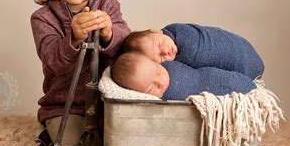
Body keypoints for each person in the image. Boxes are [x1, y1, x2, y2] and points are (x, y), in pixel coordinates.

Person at [31, 0, 130, 146]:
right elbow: (52, 59)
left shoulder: (108, 5)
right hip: (66, 105)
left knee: (118, 142)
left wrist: (109, 32)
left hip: (106, 102)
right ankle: (48, 133)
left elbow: (126, 43)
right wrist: (73, 38)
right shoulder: (43, 18)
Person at [111, 23, 263, 100]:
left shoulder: (181, 34)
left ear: (155, 31)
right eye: (160, 58)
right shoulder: (172, 72)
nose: (165, 51)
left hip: (244, 53)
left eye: (158, 43)